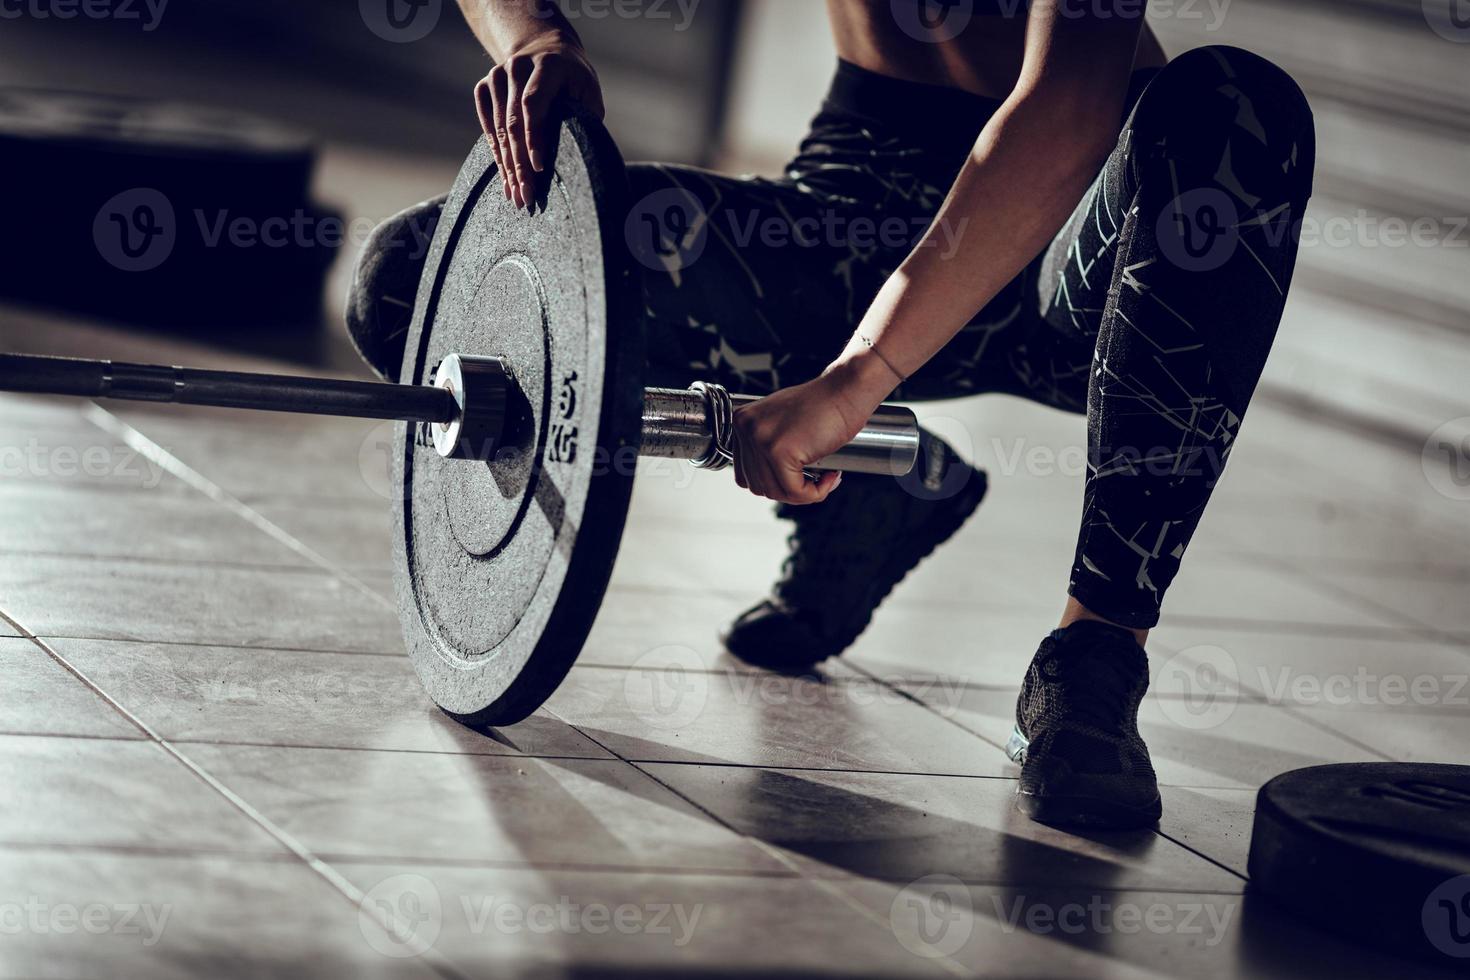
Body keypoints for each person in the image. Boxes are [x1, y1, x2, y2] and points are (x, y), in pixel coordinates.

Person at [347, 0, 1315, 829]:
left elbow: (1067, 109)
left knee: (1239, 110)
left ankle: (1095, 656)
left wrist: (861, 375)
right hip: (855, 195)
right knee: (411, 286)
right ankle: (859, 494)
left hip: (1084, 243)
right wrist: (535, 33)